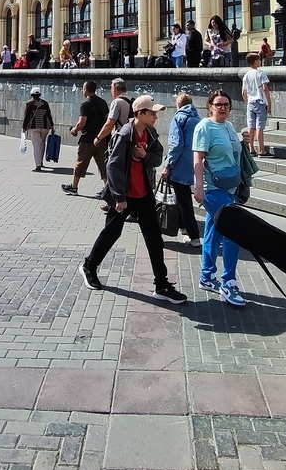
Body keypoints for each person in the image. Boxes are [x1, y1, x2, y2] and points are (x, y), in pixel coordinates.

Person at [79, 95, 187, 305]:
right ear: (140, 114)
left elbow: (158, 157)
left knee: (155, 238)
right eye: (152, 113)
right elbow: (113, 166)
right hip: (124, 196)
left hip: (144, 194)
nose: (156, 116)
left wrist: (145, 155)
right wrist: (119, 197)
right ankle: (89, 266)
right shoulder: (125, 134)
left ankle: (162, 285)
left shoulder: (150, 134)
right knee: (112, 232)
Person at [192, 90, 247, 307]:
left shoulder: (229, 127)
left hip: (229, 187)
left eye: (226, 104)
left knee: (213, 232)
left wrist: (245, 142)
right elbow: (197, 157)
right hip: (212, 188)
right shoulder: (204, 127)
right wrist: (198, 187)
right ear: (210, 107)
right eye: (218, 104)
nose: (222, 107)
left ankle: (206, 276)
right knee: (233, 231)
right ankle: (228, 282)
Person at [160, 92, 201, 244]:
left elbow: (176, 144)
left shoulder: (179, 118)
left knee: (183, 201)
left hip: (179, 164)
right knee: (181, 197)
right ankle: (182, 227)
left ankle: (194, 236)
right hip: (192, 163)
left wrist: (168, 165)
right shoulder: (198, 118)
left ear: (178, 104)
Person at [64, 80, 109, 195]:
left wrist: (74, 130)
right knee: (103, 164)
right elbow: (107, 119)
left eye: (83, 88)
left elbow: (81, 123)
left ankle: (74, 187)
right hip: (101, 138)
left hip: (87, 139)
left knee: (81, 163)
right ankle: (108, 188)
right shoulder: (103, 102)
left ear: (86, 90)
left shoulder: (86, 104)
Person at [241, 52, 271, 157]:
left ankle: (251, 148)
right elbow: (264, 88)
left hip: (250, 103)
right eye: (258, 60)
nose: (260, 61)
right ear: (255, 62)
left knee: (251, 126)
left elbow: (243, 93)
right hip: (260, 102)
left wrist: (247, 101)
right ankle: (262, 150)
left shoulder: (246, 75)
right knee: (260, 127)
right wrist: (269, 103)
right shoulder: (261, 73)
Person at [22, 86, 55, 172]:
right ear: (39, 94)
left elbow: (27, 117)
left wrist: (24, 127)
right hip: (45, 127)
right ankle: (41, 161)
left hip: (34, 127)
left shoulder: (29, 104)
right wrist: (52, 126)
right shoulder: (45, 103)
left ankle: (38, 165)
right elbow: (49, 115)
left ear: (32, 95)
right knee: (42, 144)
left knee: (36, 146)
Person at [94, 78, 132, 147]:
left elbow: (109, 124)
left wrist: (98, 138)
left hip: (120, 139)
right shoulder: (133, 100)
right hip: (132, 138)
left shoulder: (117, 102)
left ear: (114, 89)